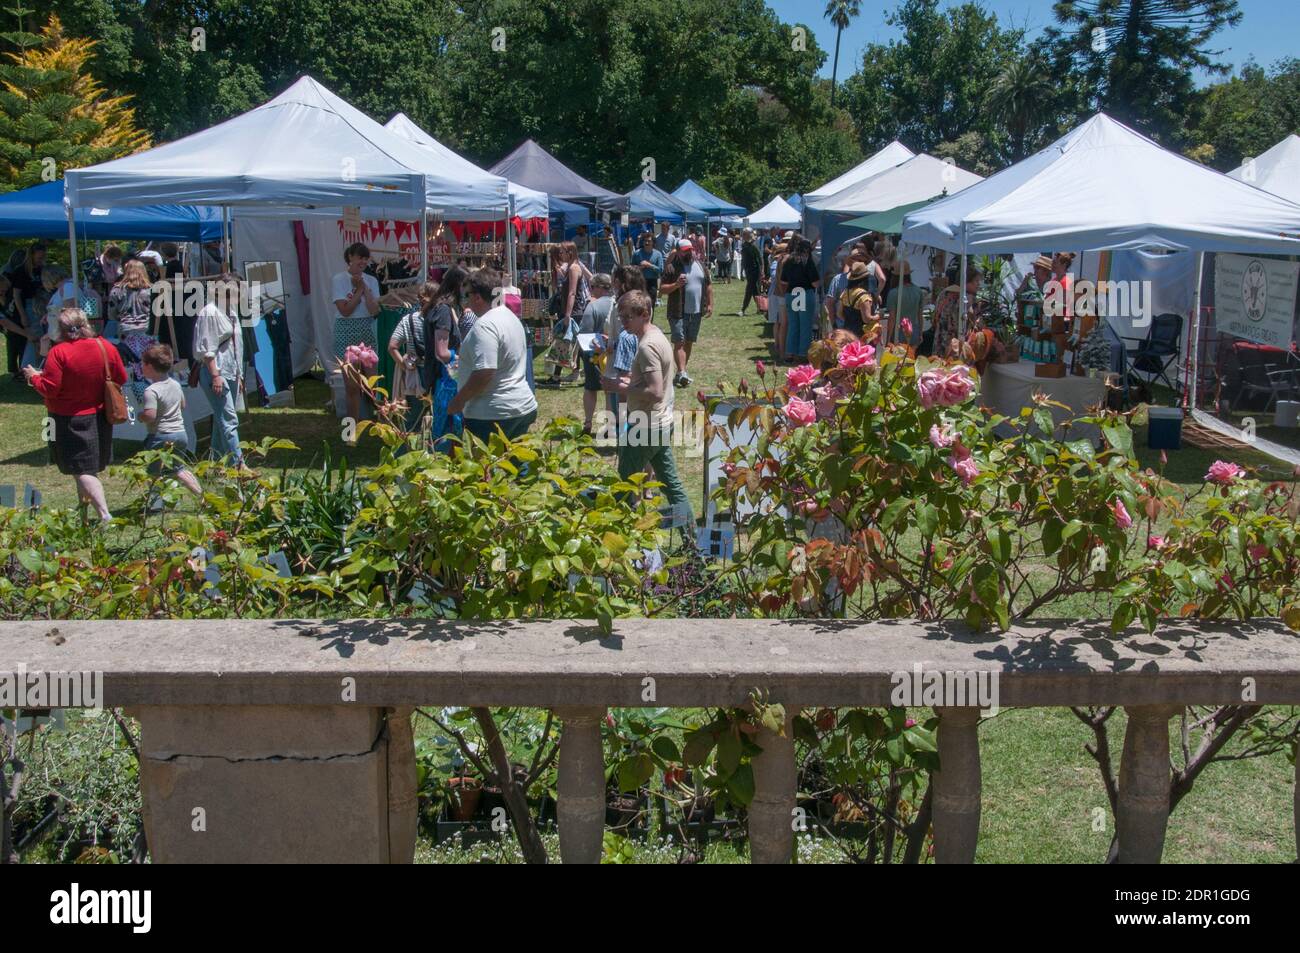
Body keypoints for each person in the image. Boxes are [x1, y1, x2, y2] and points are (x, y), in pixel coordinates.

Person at [25, 308, 126, 523]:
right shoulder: (105, 346)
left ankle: (104, 514)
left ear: (59, 329)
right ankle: (84, 515)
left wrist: (33, 377)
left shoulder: (59, 352)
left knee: (81, 470)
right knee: (86, 469)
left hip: (67, 418)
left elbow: (49, 388)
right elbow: (121, 377)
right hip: (100, 415)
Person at [612, 289, 690, 515]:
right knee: (672, 486)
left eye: (628, 317)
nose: (623, 322)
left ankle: (618, 537)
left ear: (644, 314)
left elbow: (655, 391)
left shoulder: (646, 346)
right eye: (621, 316)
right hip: (660, 423)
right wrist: (633, 380)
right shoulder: (656, 334)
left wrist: (620, 386)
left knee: (623, 486)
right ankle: (692, 538)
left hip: (646, 426)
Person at [448, 268, 538, 443]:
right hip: (518, 406)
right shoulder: (511, 318)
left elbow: (485, 372)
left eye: (467, 296)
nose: (466, 301)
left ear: (478, 297)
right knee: (518, 467)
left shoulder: (485, 325)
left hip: (492, 413)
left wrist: (458, 401)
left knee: (484, 468)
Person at [138, 343, 202, 502]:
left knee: (154, 472)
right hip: (180, 434)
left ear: (150, 366)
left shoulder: (151, 391)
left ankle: (154, 504)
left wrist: (140, 416)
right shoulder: (175, 384)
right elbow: (182, 405)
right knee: (178, 469)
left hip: (160, 436)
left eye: (142, 364)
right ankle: (202, 496)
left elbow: (151, 415)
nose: (141, 367)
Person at [193, 278, 245, 466]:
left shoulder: (231, 312)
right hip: (215, 372)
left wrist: (239, 375)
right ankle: (239, 465)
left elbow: (236, 347)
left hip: (231, 372)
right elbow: (208, 348)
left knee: (221, 419)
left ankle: (215, 463)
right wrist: (216, 375)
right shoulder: (210, 312)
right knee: (229, 419)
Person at [331, 242, 381, 424]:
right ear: (350, 257)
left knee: (373, 382)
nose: (363, 261)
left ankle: (381, 424)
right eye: (360, 257)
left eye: (366, 258)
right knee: (351, 386)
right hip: (345, 331)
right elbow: (345, 310)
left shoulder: (372, 280)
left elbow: (374, 309)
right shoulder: (339, 279)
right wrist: (358, 289)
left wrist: (364, 287)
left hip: (366, 330)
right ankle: (350, 428)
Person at [659, 238, 711, 387]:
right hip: (677, 311)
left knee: (689, 341)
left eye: (690, 249)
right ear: (679, 252)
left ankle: (681, 373)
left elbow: (708, 286)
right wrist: (676, 285)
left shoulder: (700, 265)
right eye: (685, 250)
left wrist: (710, 304)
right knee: (679, 341)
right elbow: (661, 290)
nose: (689, 252)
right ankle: (682, 372)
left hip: (695, 311)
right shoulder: (671, 268)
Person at [107, 258, 156, 396]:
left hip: (125, 330)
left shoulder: (117, 290)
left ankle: (132, 393)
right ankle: (150, 391)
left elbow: (111, 314)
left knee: (130, 364)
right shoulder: (152, 290)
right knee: (148, 362)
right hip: (147, 329)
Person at [578, 273, 614, 434]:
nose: (591, 290)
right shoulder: (617, 303)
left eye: (592, 287)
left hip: (594, 353)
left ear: (599, 287)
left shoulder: (592, 306)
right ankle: (608, 426)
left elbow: (585, 331)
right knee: (609, 391)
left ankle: (588, 423)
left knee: (591, 388)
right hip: (613, 352)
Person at [6, 242, 47, 371]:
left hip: (42, 304)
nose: (41, 260)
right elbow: (16, 295)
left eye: (43, 257)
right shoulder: (21, 271)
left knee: (43, 336)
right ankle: (32, 367)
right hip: (29, 306)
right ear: (32, 255)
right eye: (39, 258)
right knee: (35, 337)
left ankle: (35, 366)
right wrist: (23, 315)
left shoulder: (42, 269)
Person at [779, 238, 820, 363]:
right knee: (805, 325)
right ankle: (803, 354)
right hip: (805, 294)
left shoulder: (788, 260)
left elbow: (783, 281)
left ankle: (790, 353)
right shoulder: (808, 261)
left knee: (793, 325)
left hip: (791, 294)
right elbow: (815, 283)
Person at [934, 262, 982, 360]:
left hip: (940, 340)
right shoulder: (967, 298)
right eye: (976, 281)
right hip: (955, 345)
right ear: (966, 281)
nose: (979, 284)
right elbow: (973, 323)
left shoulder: (944, 293)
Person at [885, 261, 928, 347]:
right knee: (911, 358)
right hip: (914, 331)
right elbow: (920, 315)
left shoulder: (894, 293)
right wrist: (920, 333)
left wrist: (888, 339)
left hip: (899, 333)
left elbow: (892, 318)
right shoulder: (918, 291)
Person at [839, 261, 879, 340]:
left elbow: (839, 313)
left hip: (847, 331)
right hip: (861, 335)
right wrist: (877, 316)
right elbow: (866, 319)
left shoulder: (845, 292)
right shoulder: (863, 296)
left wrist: (850, 321)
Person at [631, 233, 663, 308]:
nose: (647, 243)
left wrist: (650, 265)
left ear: (653, 242)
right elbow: (631, 269)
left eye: (649, 241)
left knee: (650, 305)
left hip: (652, 283)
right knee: (639, 305)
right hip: (640, 282)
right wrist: (640, 267)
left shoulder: (658, 254)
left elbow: (660, 270)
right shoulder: (637, 253)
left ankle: (650, 320)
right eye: (645, 241)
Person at [740, 228, 762, 316]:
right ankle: (761, 308)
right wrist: (742, 270)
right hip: (748, 270)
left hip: (754, 270)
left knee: (749, 289)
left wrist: (762, 271)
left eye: (744, 234)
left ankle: (743, 309)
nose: (743, 235)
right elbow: (743, 259)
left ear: (748, 235)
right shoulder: (744, 245)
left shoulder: (753, 245)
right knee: (755, 290)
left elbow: (760, 259)